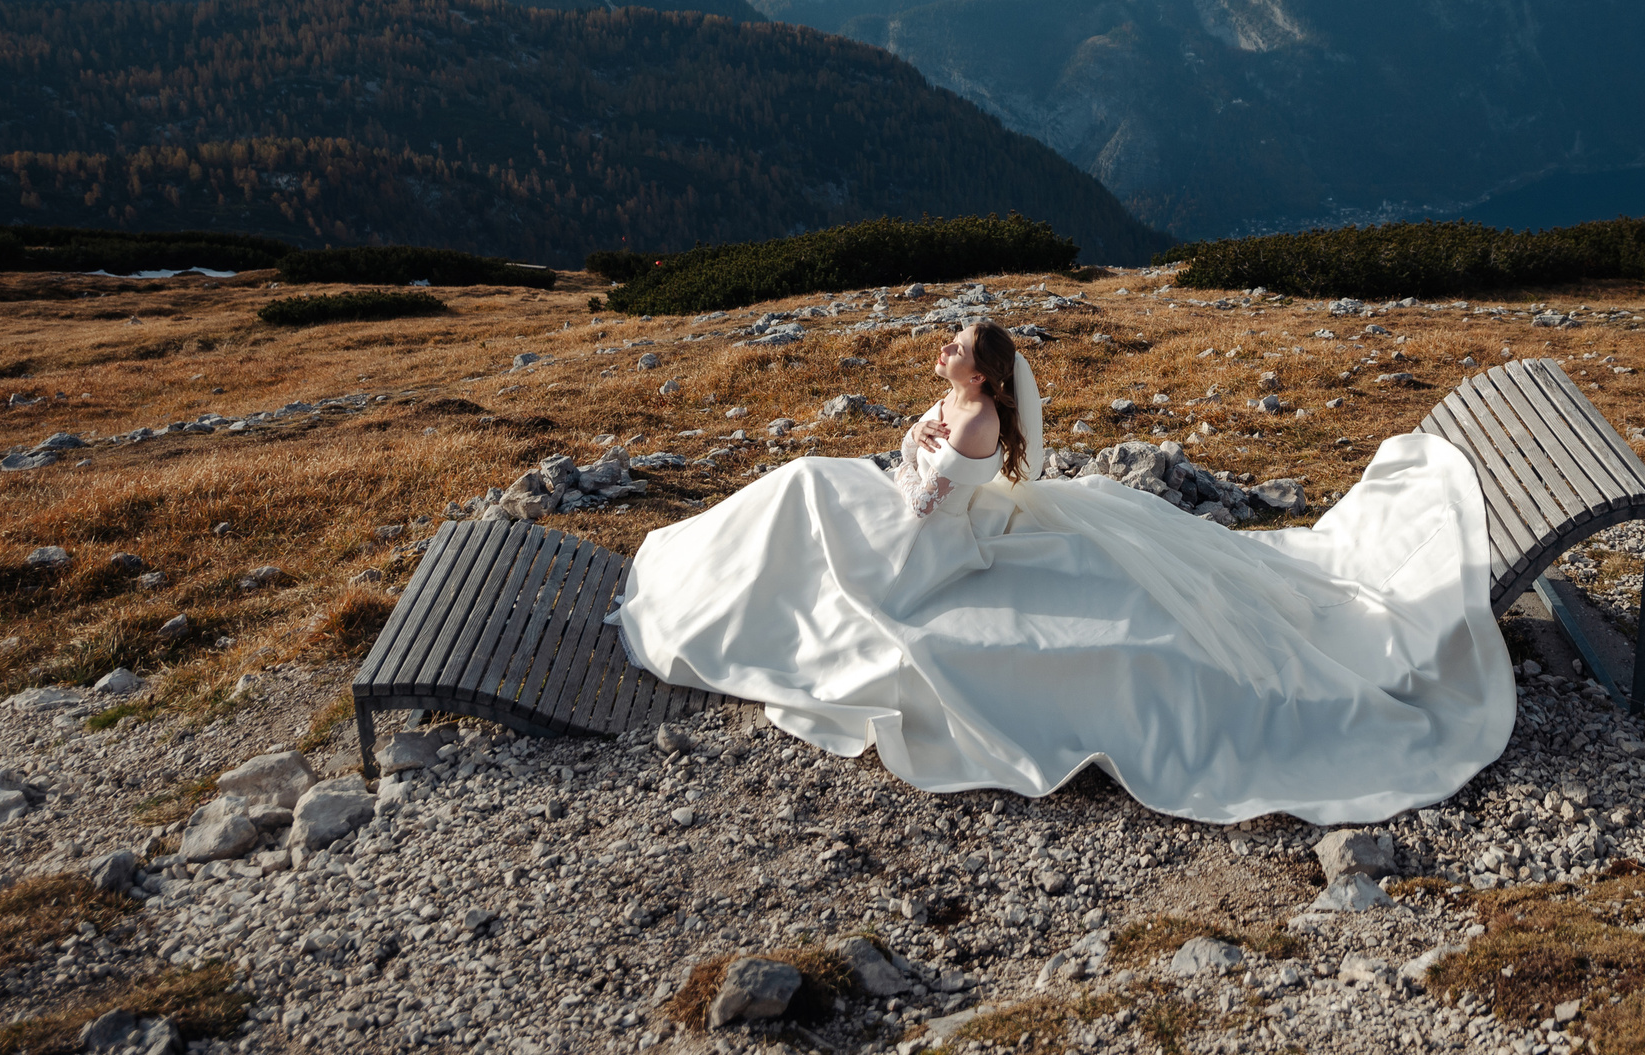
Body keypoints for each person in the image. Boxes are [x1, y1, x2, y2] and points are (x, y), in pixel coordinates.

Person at [613, 319, 1513, 825]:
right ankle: (716, 579)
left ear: (984, 372)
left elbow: (926, 506)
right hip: (913, 508)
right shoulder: (964, 405)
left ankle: (727, 606)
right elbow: (917, 465)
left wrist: (922, 452)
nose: (942, 350)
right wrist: (915, 441)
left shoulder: (975, 424)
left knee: (808, 495)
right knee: (803, 483)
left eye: (955, 346)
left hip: (920, 545)